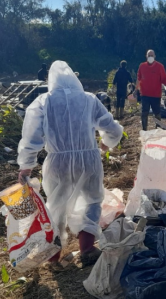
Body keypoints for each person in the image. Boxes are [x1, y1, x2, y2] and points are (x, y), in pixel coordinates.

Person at [17, 61, 124, 266]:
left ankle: (53, 257)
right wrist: (105, 143)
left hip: (58, 162)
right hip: (88, 160)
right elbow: (114, 129)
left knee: (56, 207)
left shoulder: (43, 102)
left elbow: (31, 137)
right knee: (92, 202)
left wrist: (26, 165)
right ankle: (87, 248)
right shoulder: (89, 100)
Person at [137, 49, 166, 130]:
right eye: (149, 55)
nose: (150, 57)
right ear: (146, 56)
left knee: (157, 113)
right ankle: (144, 129)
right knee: (144, 112)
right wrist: (135, 89)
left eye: (152, 55)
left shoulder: (160, 66)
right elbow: (138, 78)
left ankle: (158, 129)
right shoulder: (142, 66)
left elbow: (164, 79)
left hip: (156, 95)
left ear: (155, 56)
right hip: (145, 94)